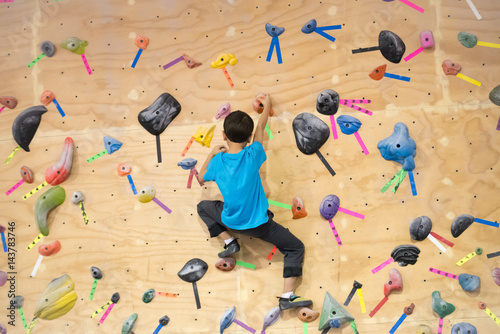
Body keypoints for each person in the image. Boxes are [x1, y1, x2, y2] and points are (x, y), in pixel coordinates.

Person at [197, 94, 312, 311]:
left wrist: (212, 153)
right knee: (295, 247)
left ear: (223, 135)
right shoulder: (253, 154)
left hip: (230, 220)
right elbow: (260, 130)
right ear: (249, 139)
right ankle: (287, 296)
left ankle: (229, 241)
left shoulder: (218, 162)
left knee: (202, 207)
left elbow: (201, 178)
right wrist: (267, 106)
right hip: (260, 225)